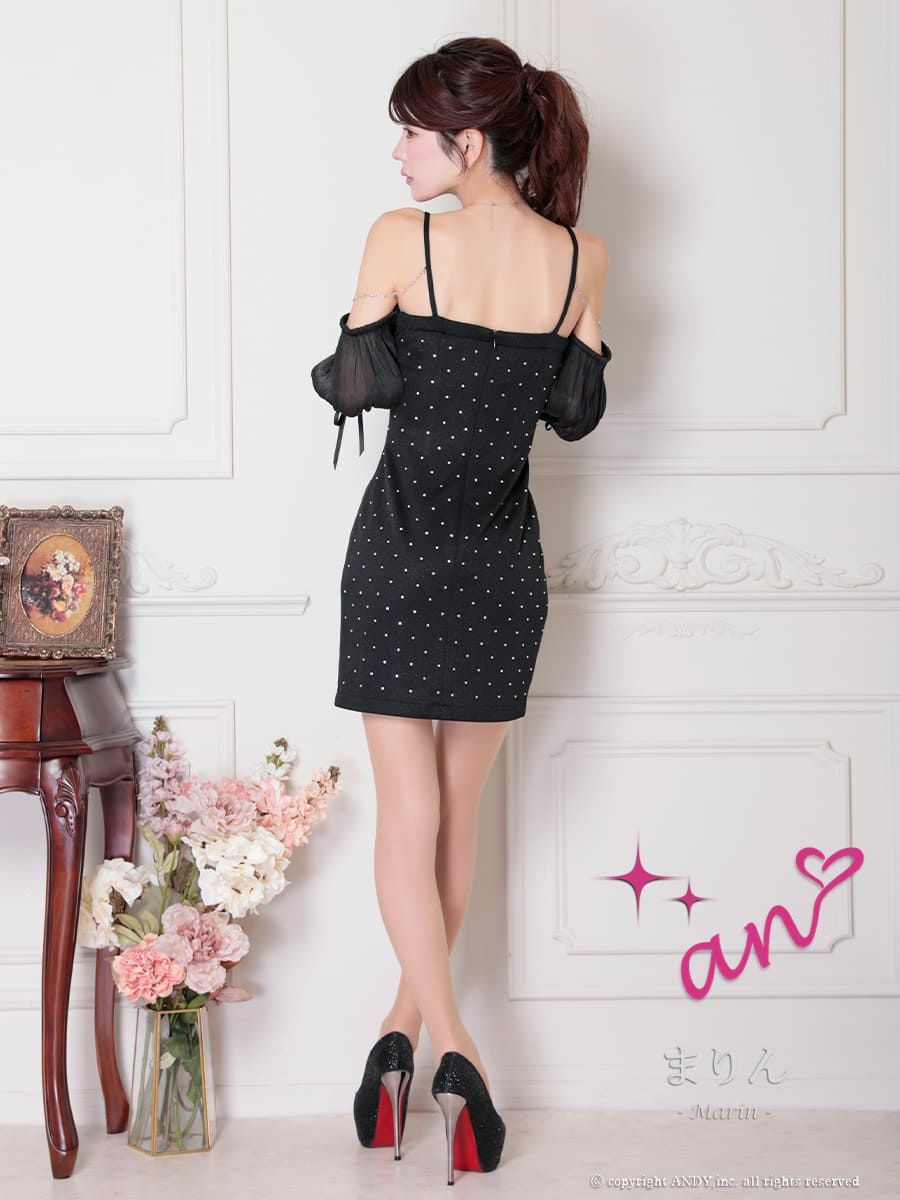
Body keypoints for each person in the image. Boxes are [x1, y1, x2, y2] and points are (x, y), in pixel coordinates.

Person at [310, 35, 611, 1184]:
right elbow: (574, 412)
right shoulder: (582, 258)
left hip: (397, 554)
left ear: (469, 142)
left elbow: (356, 384)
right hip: (501, 564)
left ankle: (450, 1049)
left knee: (409, 818)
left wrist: (365, 316)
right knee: (457, 821)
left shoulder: (402, 240)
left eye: (412, 134)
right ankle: (414, 1040)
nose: (398, 155)